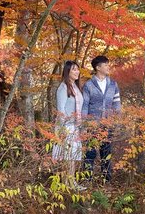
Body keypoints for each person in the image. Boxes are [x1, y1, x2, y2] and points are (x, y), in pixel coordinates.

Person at [81, 55, 122, 183]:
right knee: (90, 153)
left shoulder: (113, 84)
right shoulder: (88, 85)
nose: (108, 67)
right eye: (105, 65)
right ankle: (87, 180)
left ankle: (106, 180)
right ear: (98, 68)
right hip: (92, 124)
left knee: (106, 152)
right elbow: (84, 105)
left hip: (107, 124)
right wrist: (84, 124)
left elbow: (117, 103)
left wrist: (117, 121)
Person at [52, 60, 85, 190]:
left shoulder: (76, 87)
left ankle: (71, 183)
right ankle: (67, 184)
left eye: (77, 69)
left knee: (72, 156)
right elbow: (60, 110)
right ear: (67, 72)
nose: (77, 72)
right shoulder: (63, 87)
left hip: (75, 126)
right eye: (74, 69)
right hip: (65, 126)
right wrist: (64, 129)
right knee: (67, 156)